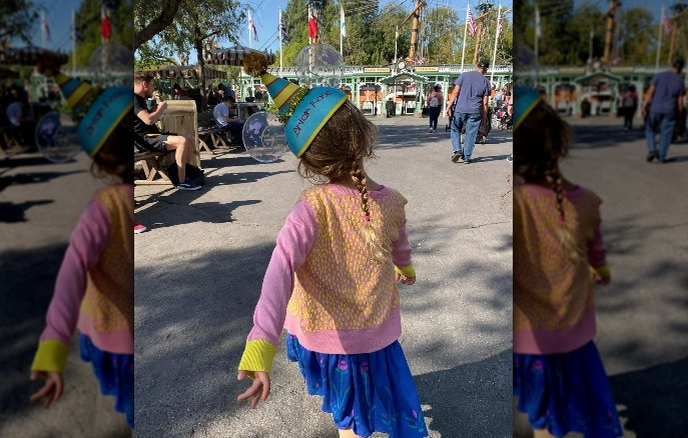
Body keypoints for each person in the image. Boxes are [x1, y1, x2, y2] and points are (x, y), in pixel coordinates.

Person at [234, 52, 428, 438]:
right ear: (363, 134)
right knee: (364, 404)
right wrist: (405, 270)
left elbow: (281, 269)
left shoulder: (314, 206)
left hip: (326, 335)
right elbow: (400, 248)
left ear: (312, 163)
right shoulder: (392, 201)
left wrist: (261, 341)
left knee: (351, 423)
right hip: (376, 332)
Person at [28, 55, 134, 433]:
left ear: (100, 161)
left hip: (111, 335)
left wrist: (53, 346)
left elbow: (71, 274)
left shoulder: (104, 207)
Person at [511, 86, 623, 438]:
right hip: (575, 335)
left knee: (543, 416)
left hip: (530, 341)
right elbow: (597, 252)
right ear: (559, 142)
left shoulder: (519, 204)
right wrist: (600, 270)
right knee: (572, 403)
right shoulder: (586, 201)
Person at [133, 71, 202, 190]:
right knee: (182, 141)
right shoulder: (133, 99)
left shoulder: (140, 98)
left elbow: (146, 119)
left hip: (153, 135)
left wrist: (154, 110)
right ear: (144, 84)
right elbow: (148, 121)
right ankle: (182, 181)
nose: (153, 88)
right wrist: (161, 109)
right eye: (152, 85)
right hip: (146, 139)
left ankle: (182, 172)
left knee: (190, 139)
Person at [446, 59, 490, 164]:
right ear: (486, 69)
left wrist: (448, 106)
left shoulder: (464, 75)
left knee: (455, 129)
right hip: (475, 111)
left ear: (477, 65)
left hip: (460, 109)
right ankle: (466, 157)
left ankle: (457, 149)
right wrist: (484, 116)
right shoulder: (486, 82)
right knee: (471, 134)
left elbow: (455, 92)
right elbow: (485, 103)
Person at [641, 59, 686, 163]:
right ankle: (661, 156)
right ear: (681, 68)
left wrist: (644, 105)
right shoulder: (680, 82)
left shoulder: (659, 76)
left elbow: (650, 92)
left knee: (649, 128)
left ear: (672, 65)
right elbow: (680, 102)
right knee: (666, 133)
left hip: (655, 109)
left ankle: (652, 149)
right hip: (670, 111)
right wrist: (679, 115)